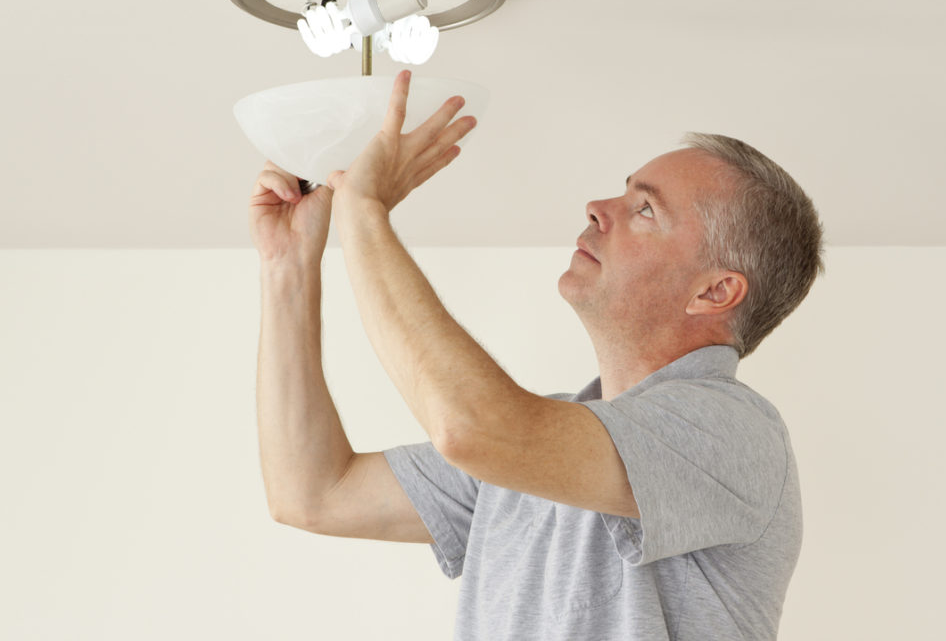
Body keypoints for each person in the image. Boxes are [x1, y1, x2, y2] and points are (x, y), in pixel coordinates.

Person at [250, 70, 824, 641]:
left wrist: (363, 207)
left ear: (714, 292)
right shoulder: (528, 449)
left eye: (646, 210)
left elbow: (472, 429)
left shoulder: (734, 433)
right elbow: (314, 493)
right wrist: (289, 265)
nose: (598, 207)